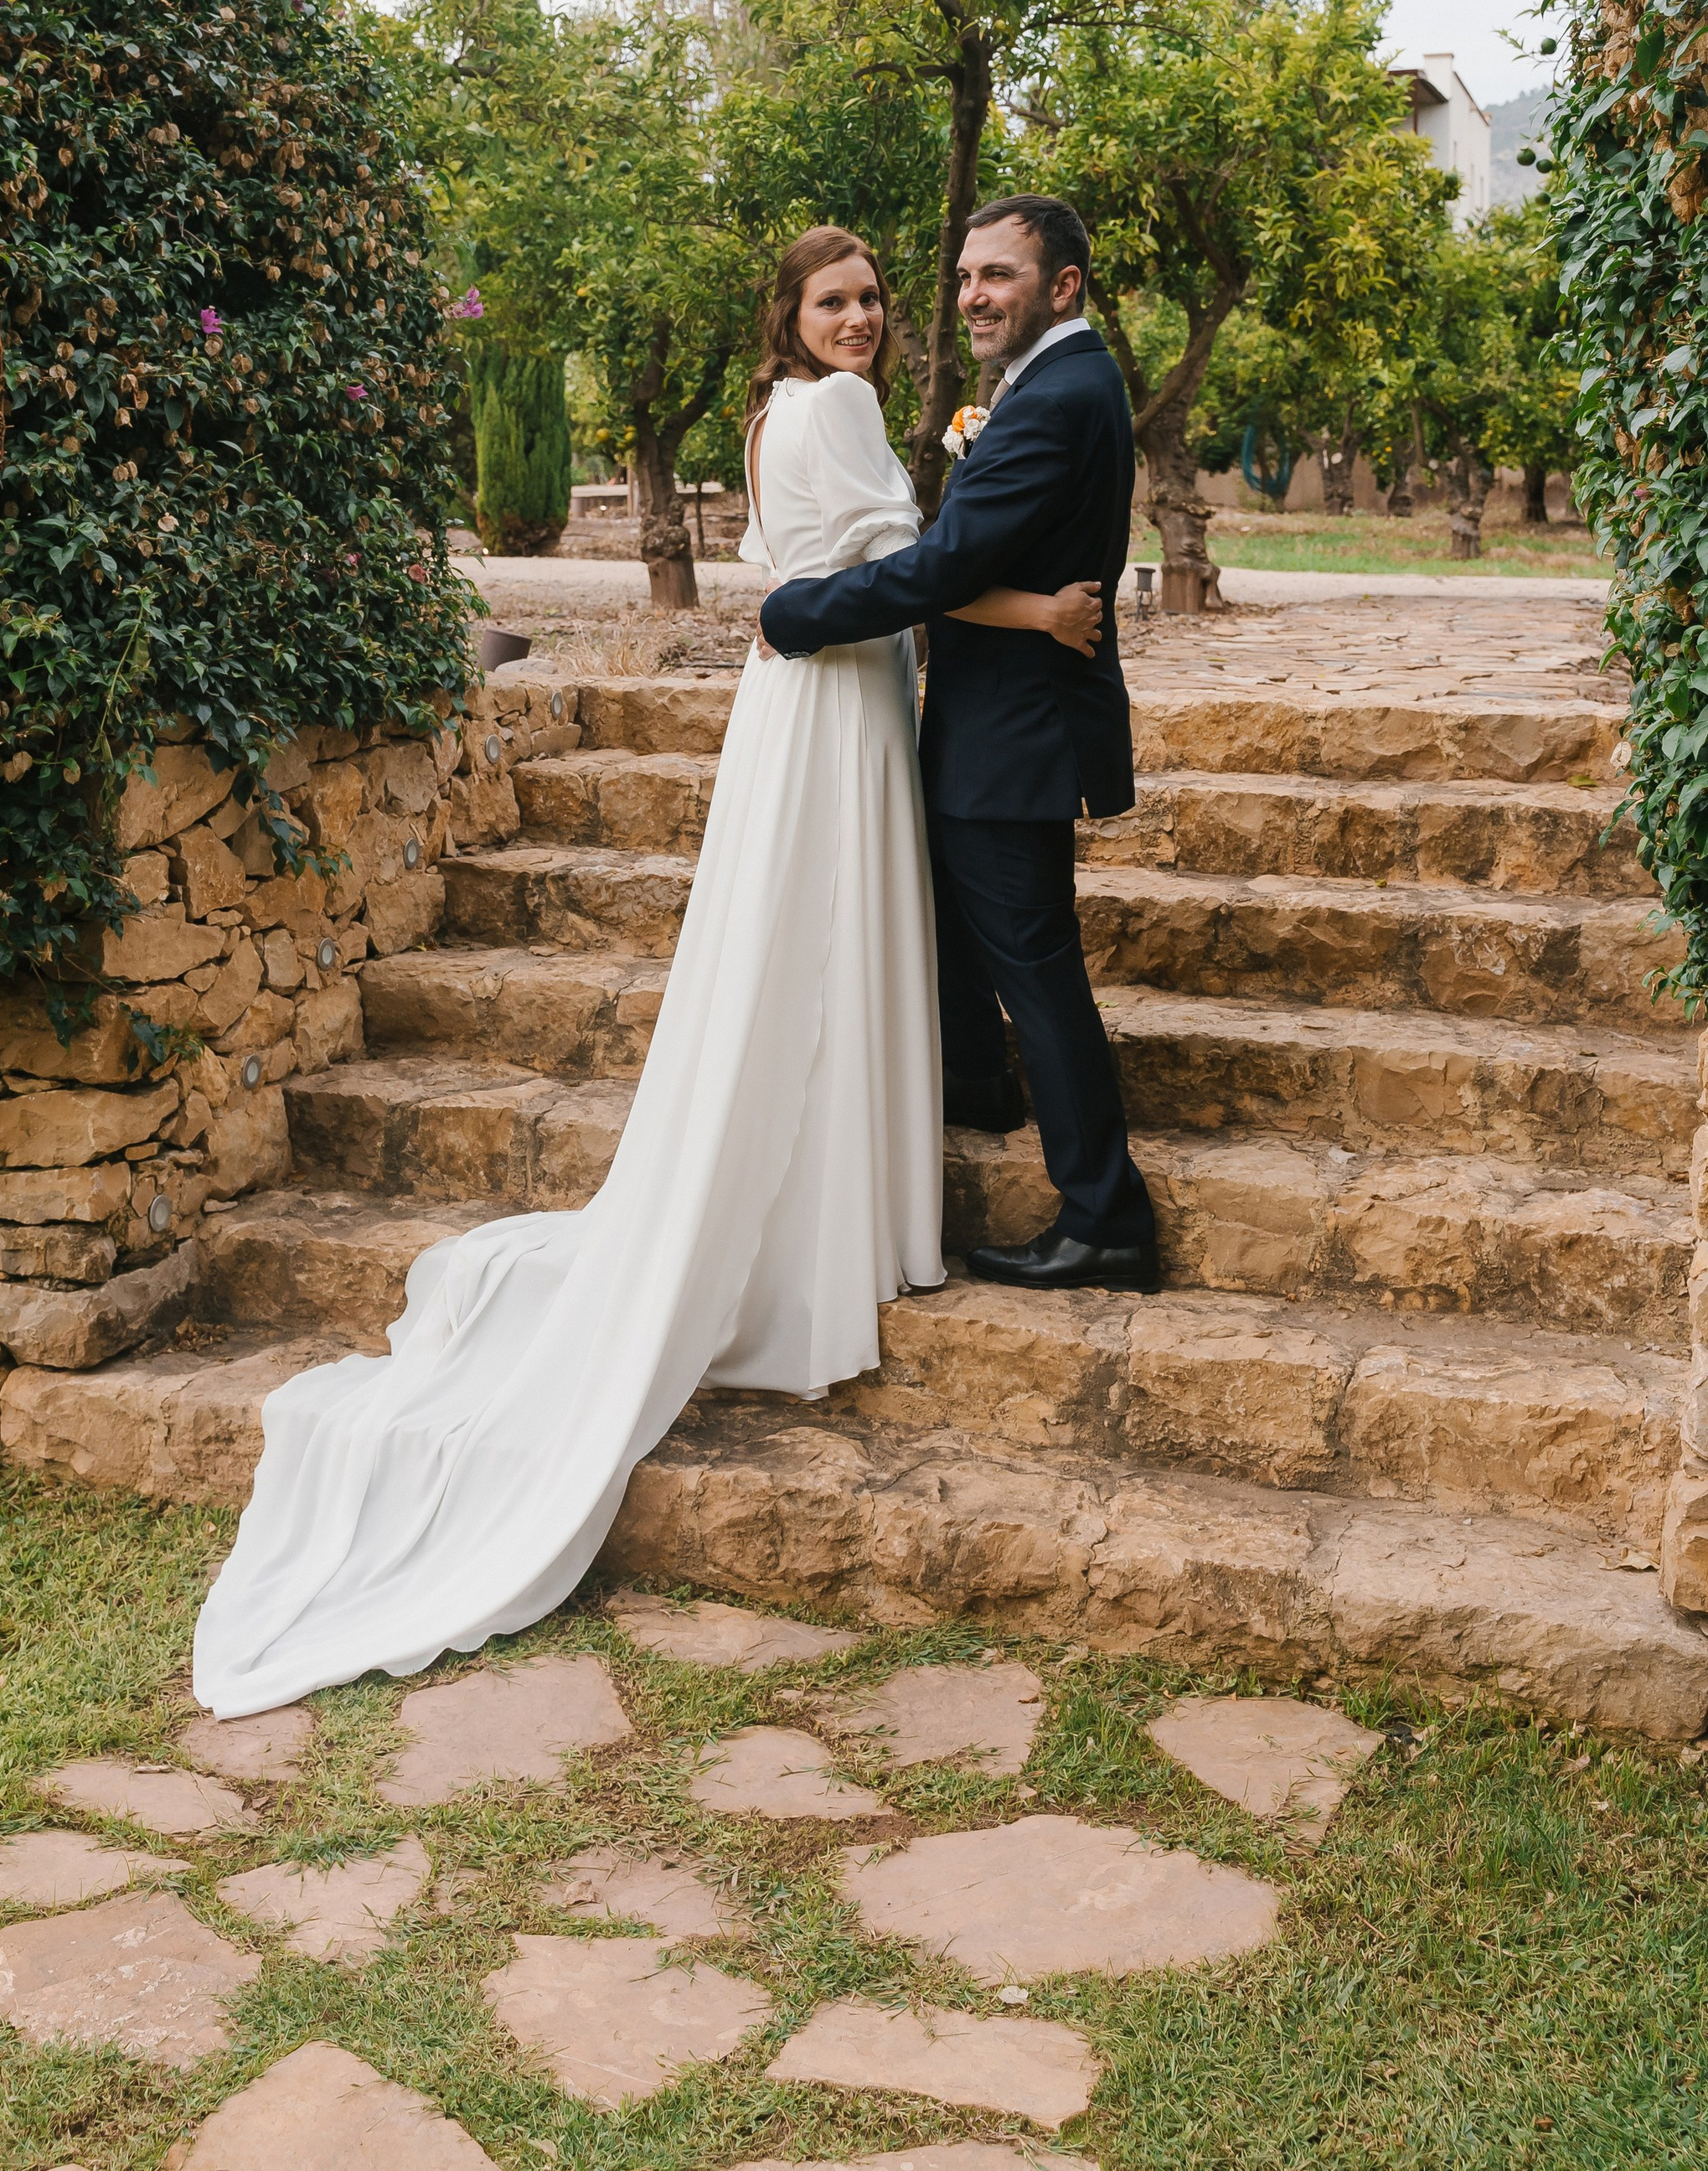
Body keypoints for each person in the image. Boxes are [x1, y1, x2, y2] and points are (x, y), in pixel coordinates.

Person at [191, 225, 1096, 1709]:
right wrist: (1035, 608)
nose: (862, 319)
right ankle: (834, 1244)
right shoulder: (844, 409)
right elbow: (918, 574)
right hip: (838, 697)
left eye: (873, 299)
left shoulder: (774, 418)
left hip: (797, 708)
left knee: (793, 955)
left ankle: (827, 1219)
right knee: (832, 944)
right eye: (834, 302)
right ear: (791, 317)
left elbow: (852, 568)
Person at [758, 194, 1159, 1295]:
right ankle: (973, 1083)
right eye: (968, 275)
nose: (974, 296)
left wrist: (791, 614)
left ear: (1062, 288)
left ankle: (1105, 1214)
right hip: (1002, 728)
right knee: (962, 932)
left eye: (1001, 277)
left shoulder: (1055, 397)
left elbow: (939, 571)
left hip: (1014, 738)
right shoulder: (1057, 384)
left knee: (1039, 976)